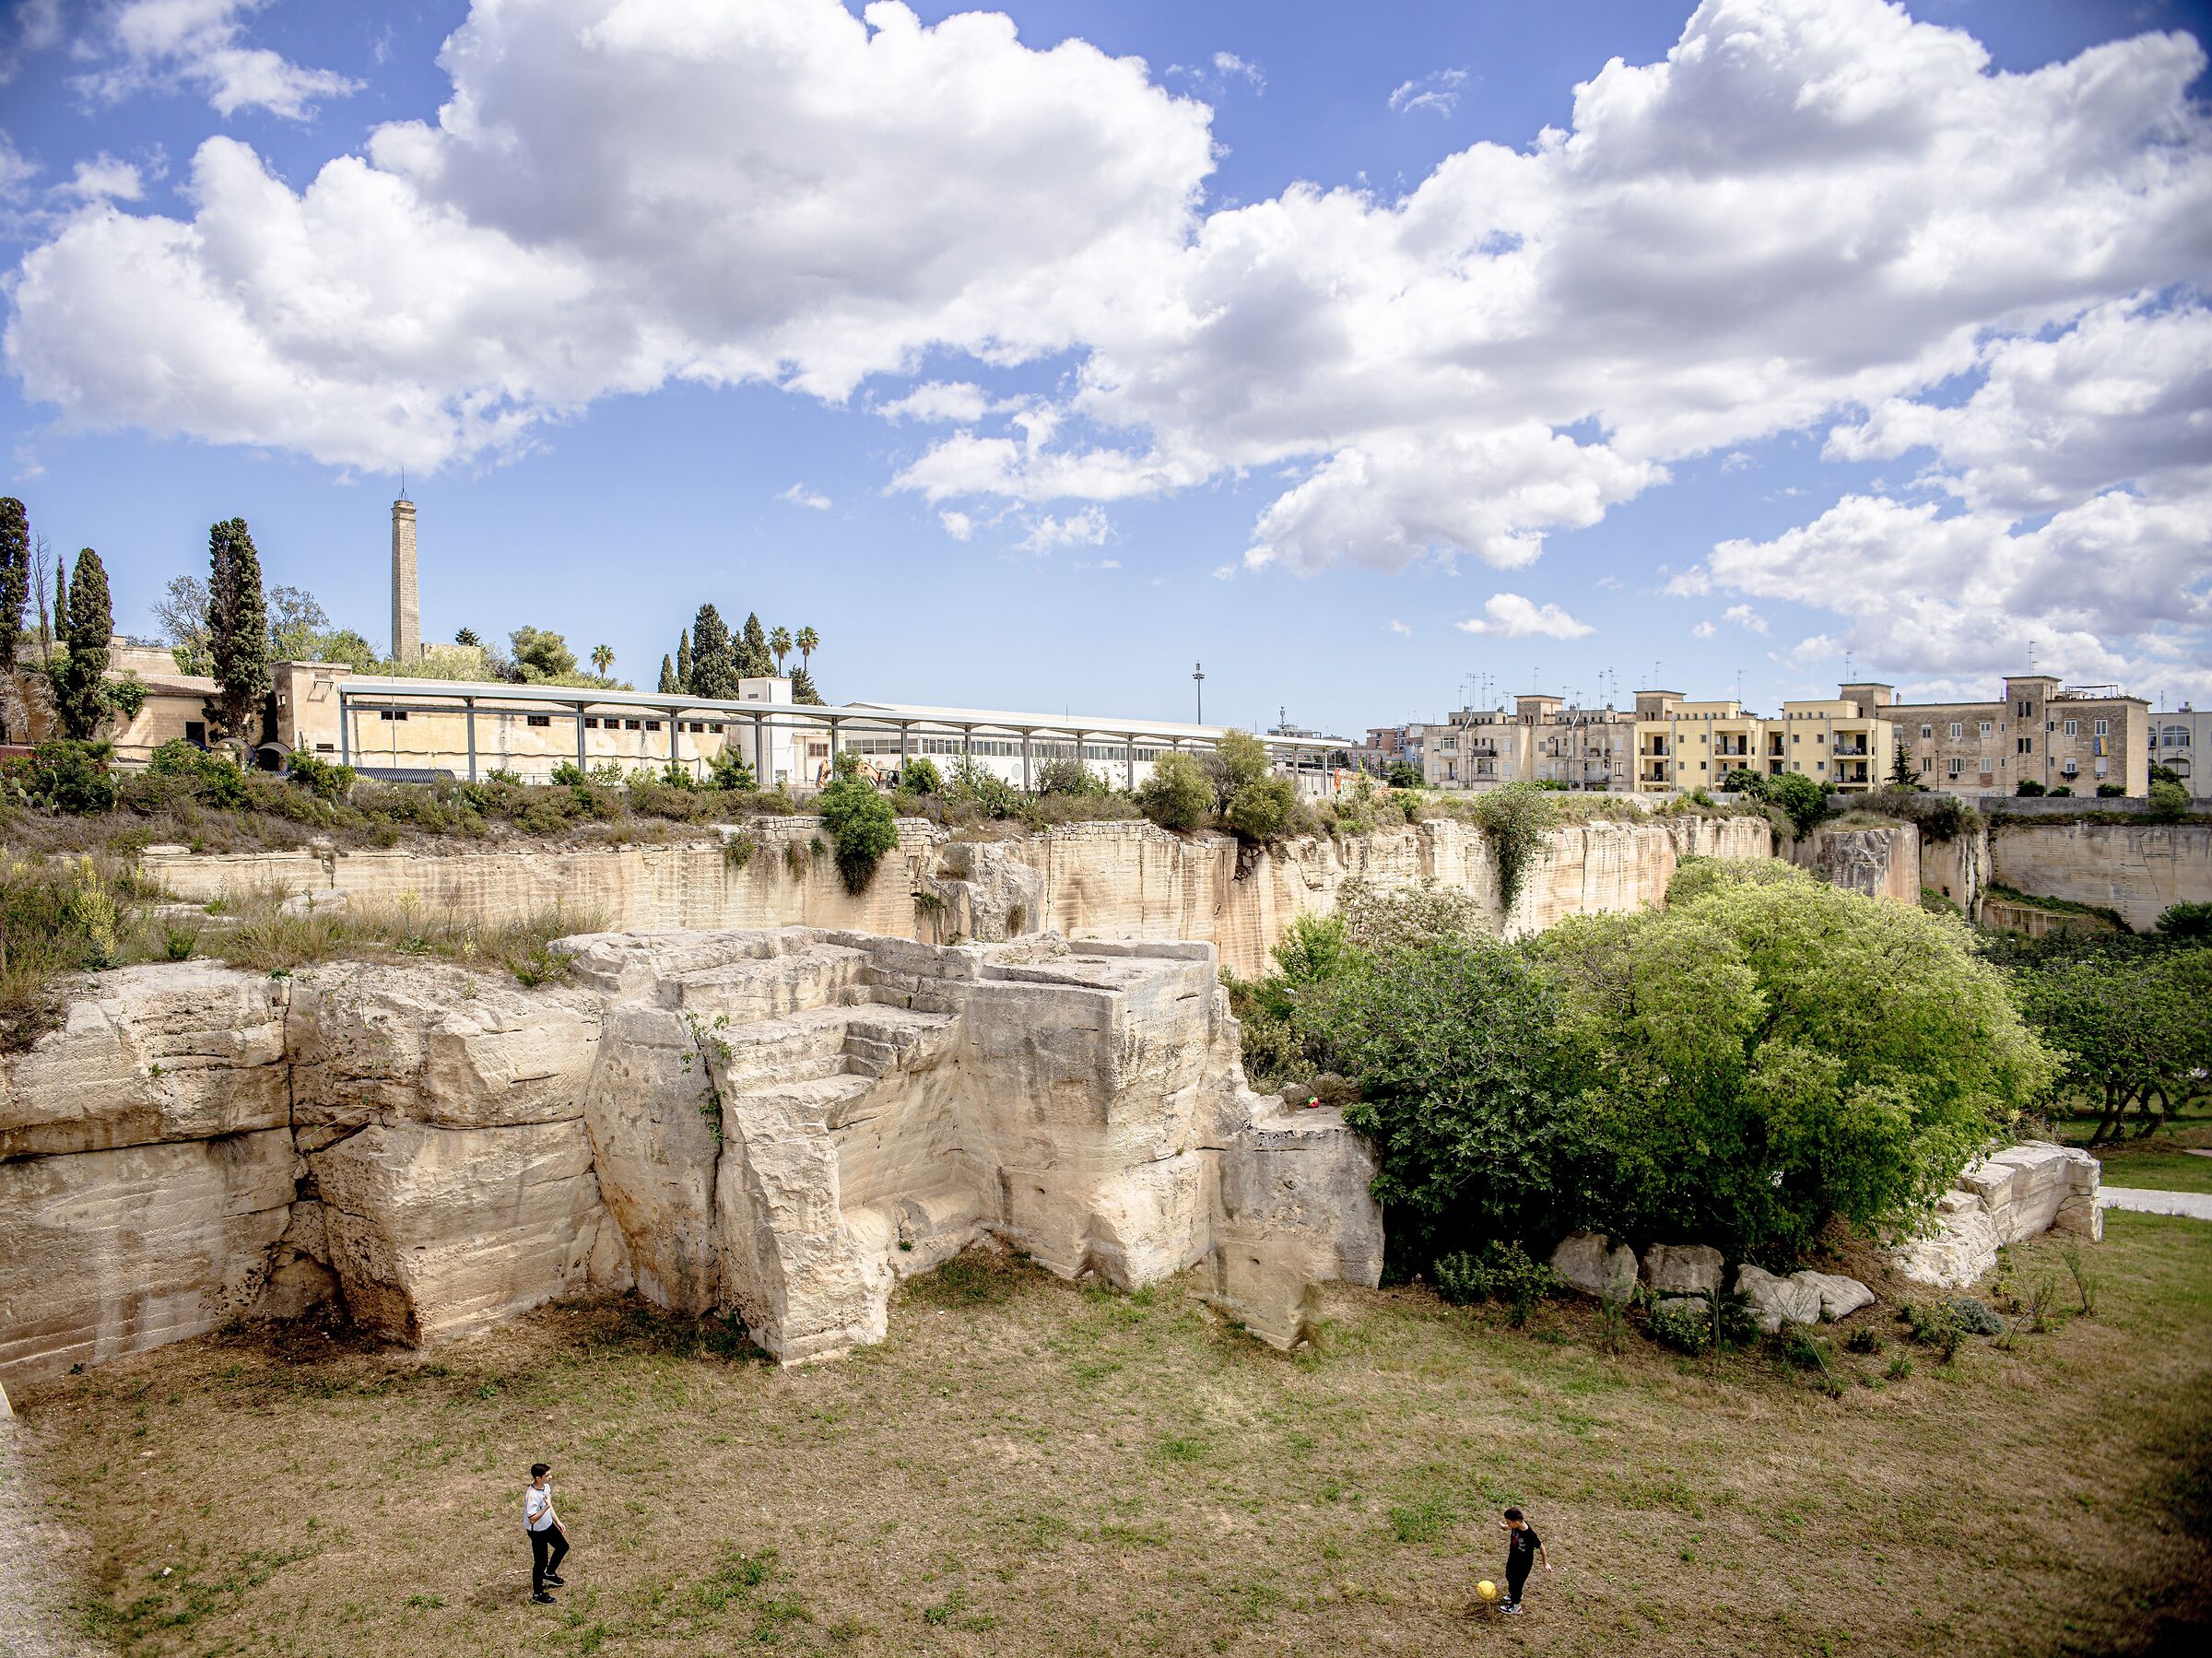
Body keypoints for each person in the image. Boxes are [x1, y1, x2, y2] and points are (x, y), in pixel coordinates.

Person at [525, 1462, 570, 1604]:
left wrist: (558, 1521)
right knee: (540, 1562)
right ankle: (538, 1594)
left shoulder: (546, 1487)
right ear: (538, 1478)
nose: (551, 1477)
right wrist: (545, 1508)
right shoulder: (532, 1496)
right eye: (547, 1475)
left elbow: (549, 1506)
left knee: (563, 1547)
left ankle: (549, 1574)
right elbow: (532, 1519)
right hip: (537, 1532)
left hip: (548, 1525)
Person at [1498, 1506, 1549, 1616]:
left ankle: (1516, 1607)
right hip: (1513, 1558)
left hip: (1523, 1564)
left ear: (1516, 1523)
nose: (1507, 1524)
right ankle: (1515, 1594)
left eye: (1508, 1522)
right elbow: (1511, 1527)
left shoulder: (1529, 1535)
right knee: (1509, 1576)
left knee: (1517, 1583)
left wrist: (1545, 1563)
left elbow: (1541, 1547)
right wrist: (1505, 1527)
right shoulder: (1517, 1525)